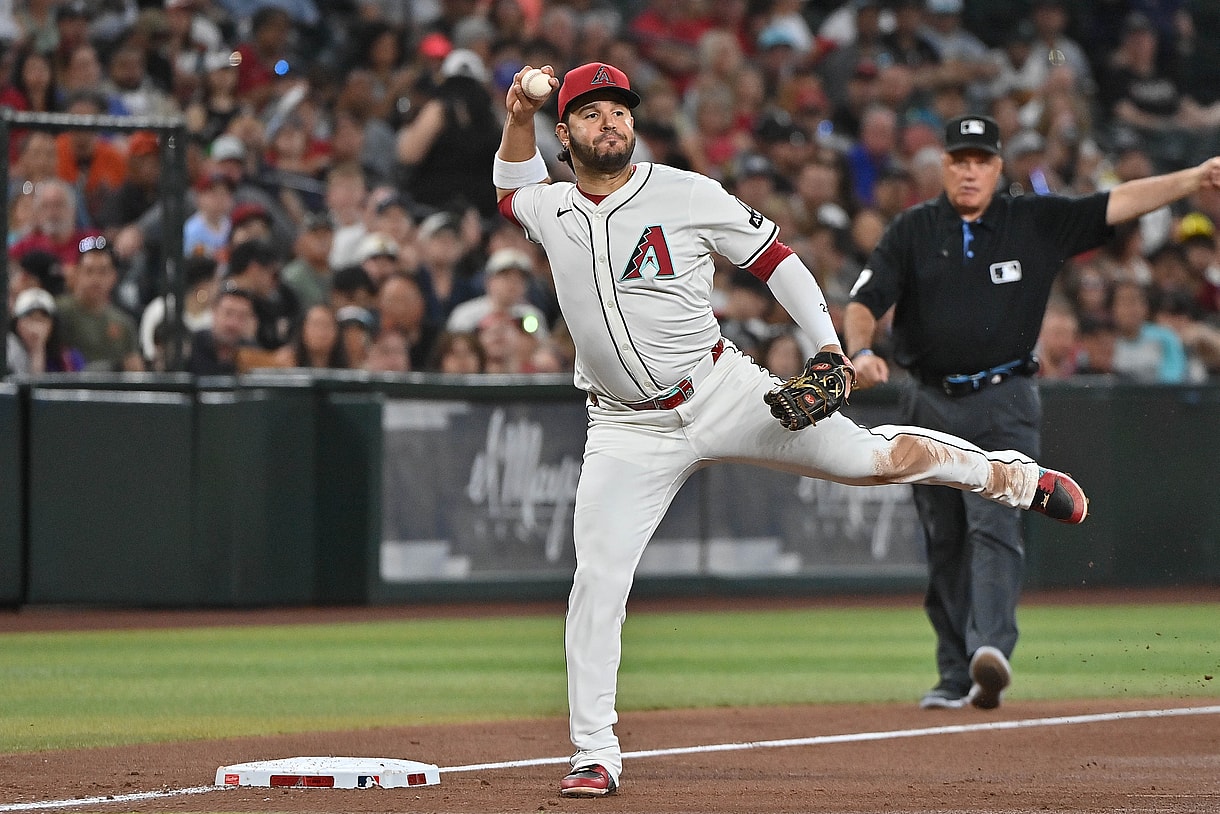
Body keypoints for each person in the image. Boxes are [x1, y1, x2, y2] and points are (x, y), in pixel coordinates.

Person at [495, 63, 1089, 798]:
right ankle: (595, 752)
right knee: (598, 581)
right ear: (566, 132)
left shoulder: (684, 192)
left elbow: (778, 262)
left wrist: (828, 349)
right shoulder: (549, 207)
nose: (610, 122)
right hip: (625, 428)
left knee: (874, 459)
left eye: (619, 110)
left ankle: (1012, 476)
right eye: (591, 114)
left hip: (719, 390)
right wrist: (518, 108)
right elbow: (509, 186)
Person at [843, 113, 1220, 714]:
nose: (969, 170)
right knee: (944, 539)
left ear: (998, 166)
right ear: (944, 165)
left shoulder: (1034, 221)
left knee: (996, 524)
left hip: (1004, 399)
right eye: (959, 159)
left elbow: (1116, 203)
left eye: (980, 160)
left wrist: (1192, 178)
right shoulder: (912, 230)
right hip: (928, 399)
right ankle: (951, 672)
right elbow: (864, 301)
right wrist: (859, 350)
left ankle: (988, 653)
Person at [54, 236, 143, 372]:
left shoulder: (124, 323)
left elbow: (136, 371)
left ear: (113, 276)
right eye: (89, 271)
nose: (96, 279)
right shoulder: (58, 312)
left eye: (103, 271)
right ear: (76, 273)